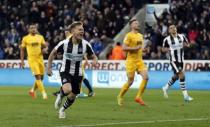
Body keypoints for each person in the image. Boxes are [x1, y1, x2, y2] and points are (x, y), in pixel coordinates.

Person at [47, 21, 97, 119]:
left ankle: (62, 110)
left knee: (73, 96)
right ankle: (61, 94)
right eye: (79, 29)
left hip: (78, 73)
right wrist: (48, 67)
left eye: (83, 30)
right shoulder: (64, 43)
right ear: (73, 31)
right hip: (65, 70)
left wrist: (95, 61)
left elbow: (94, 56)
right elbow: (53, 53)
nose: (82, 31)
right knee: (67, 89)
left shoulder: (86, 44)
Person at [117, 19, 149, 106]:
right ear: (131, 26)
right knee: (130, 81)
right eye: (135, 23)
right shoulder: (128, 36)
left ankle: (138, 97)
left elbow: (140, 48)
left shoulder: (140, 36)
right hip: (131, 61)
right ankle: (120, 96)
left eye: (138, 23)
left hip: (139, 61)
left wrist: (144, 50)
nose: (138, 24)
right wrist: (136, 48)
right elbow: (124, 48)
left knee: (146, 77)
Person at [162, 25, 193, 102]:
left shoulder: (182, 36)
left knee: (176, 76)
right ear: (169, 31)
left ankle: (165, 87)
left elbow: (187, 44)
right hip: (173, 60)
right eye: (171, 28)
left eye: (174, 27)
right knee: (182, 74)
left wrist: (187, 45)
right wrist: (170, 48)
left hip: (181, 60)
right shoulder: (167, 39)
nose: (173, 29)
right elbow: (163, 49)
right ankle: (185, 96)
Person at [20, 23, 48, 99]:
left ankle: (32, 90)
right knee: (38, 77)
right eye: (31, 28)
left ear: (36, 29)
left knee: (42, 77)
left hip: (40, 59)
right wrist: (22, 61)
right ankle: (44, 93)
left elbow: (45, 47)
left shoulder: (40, 37)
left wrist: (44, 50)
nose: (33, 29)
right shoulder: (25, 38)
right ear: (29, 30)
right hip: (32, 60)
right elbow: (22, 50)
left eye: (34, 28)